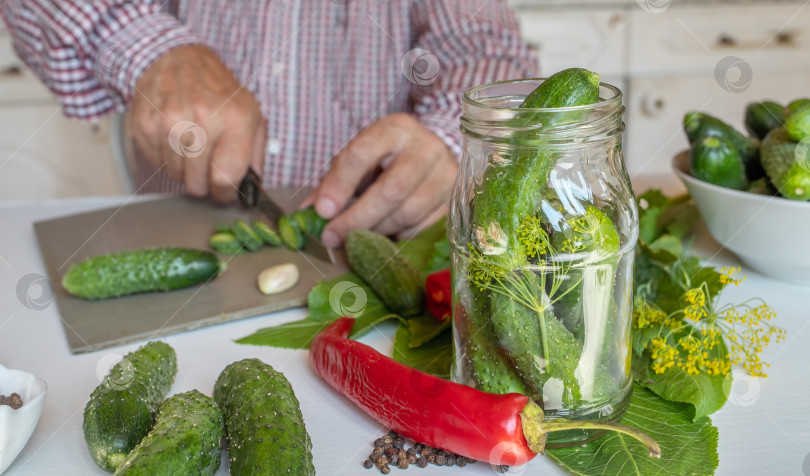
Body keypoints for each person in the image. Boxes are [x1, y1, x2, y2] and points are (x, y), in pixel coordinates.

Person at [0, 1, 536, 247]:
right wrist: (147, 51)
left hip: (374, 249)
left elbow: (486, 50)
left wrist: (448, 138)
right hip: (179, 225)